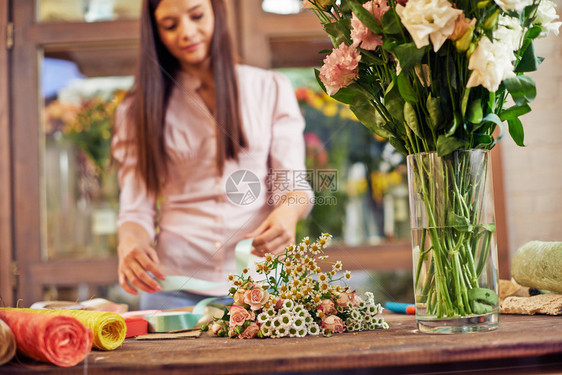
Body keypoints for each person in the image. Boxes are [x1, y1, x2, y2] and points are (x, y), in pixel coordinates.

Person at [111, 0, 313, 310]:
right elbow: (136, 210)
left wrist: (287, 215)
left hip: (261, 282)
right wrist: (130, 245)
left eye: (196, 15)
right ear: (155, 31)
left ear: (217, 12)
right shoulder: (136, 111)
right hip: (173, 285)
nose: (187, 32)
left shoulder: (269, 88)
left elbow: (294, 186)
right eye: (169, 25)